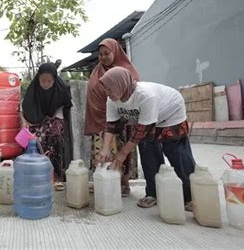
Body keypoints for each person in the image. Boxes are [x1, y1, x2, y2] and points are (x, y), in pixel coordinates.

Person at [97, 66, 196, 210]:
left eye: (109, 88)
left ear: (120, 84)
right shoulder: (112, 99)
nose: (107, 92)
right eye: (105, 88)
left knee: (177, 154)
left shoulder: (145, 96)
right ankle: (153, 193)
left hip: (170, 114)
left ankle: (190, 196)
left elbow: (142, 130)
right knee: (148, 152)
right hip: (145, 119)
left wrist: (123, 153)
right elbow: (111, 125)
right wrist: (104, 150)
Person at [84, 38, 140, 196]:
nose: (103, 57)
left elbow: (133, 92)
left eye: (107, 53)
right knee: (102, 151)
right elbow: (94, 92)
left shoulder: (126, 68)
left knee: (122, 150)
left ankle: (123, 184)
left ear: (115, 51)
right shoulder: (97, 70)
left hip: (122, 118)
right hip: (100, 118)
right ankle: (103, 181)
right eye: (100, 54)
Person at [20, 62, 72, 189]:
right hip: (35, 121)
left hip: (54, 119)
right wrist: (24, 122)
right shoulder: (33, 90)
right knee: (31, 139)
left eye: (49, 81)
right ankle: (35, 176)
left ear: (54, 80)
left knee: (55, 135)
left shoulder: (60, 91)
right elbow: (22, 108)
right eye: (43, 80)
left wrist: (49, 122)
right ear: (38, 79)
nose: (46, 84)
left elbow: (60, 113)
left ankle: (56, 176)